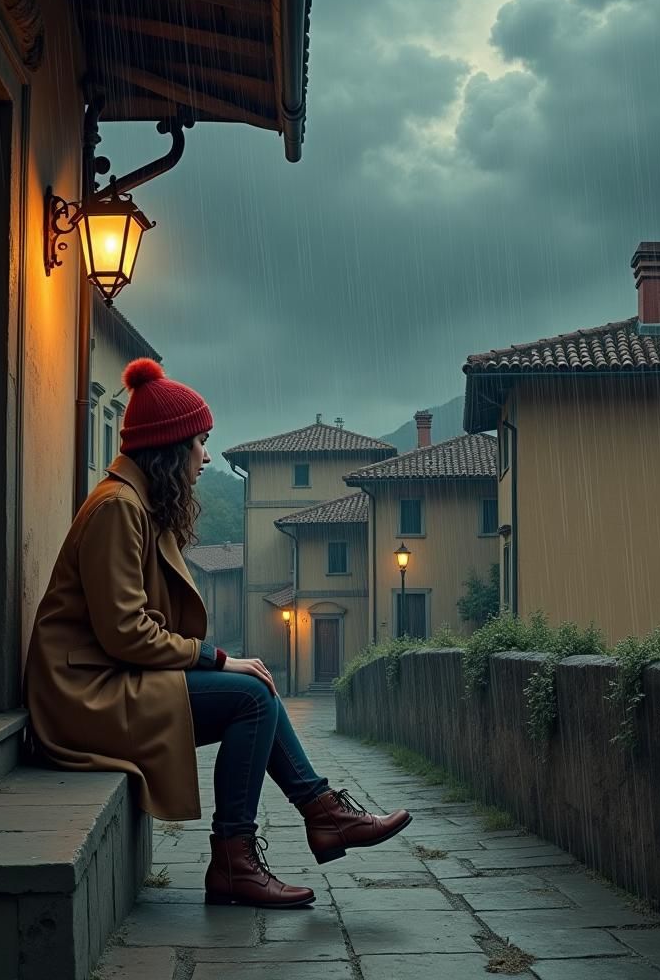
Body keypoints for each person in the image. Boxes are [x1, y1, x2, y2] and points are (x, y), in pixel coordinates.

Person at [24, 358, 411, 908]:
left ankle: (314, 818)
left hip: (106, 679)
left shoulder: (136, 506)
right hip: (82, 694)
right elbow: (125, 632)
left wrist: (219, 661)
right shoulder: (117, 509)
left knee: (257, 689)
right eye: (200, 443)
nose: (206, 456)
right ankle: (254, 850)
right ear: (169, 448)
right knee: (250, 695)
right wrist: (215, 658)